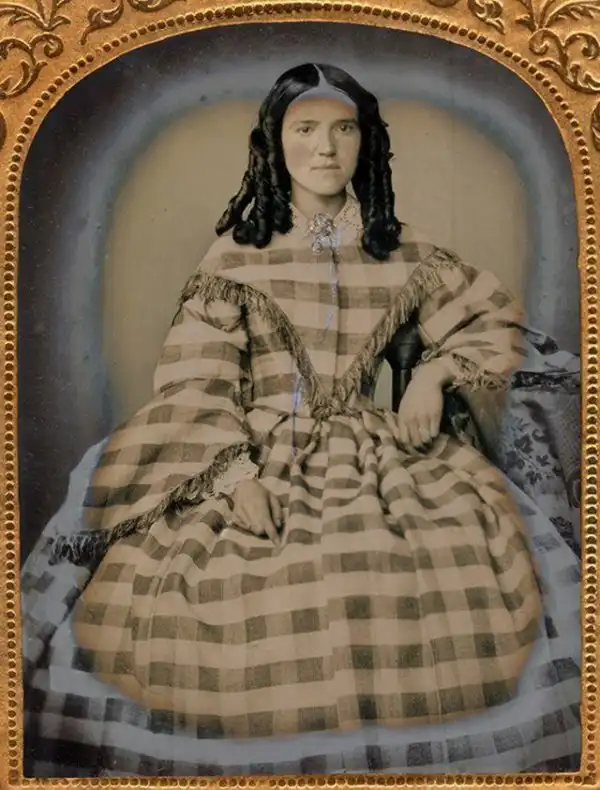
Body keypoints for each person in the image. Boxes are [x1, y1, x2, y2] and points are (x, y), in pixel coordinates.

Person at [49, 62, 542, 740]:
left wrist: (433, 376)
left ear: (366, 141)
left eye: (344, 130)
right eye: (305, 129)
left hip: (374, 455)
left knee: (421, 564)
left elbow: (496, 322)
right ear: (274, 144)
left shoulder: (400, 249)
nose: (325, 148)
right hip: (255, 451)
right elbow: (196, 381)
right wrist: (236, 478)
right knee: (236, 586)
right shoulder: (237, 257)